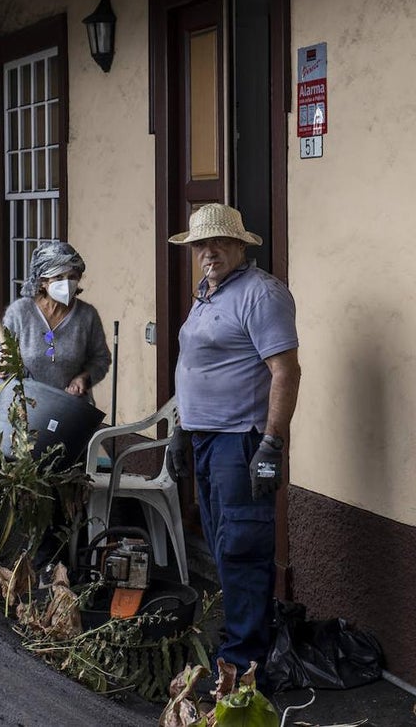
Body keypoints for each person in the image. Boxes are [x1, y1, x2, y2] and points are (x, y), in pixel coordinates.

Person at [164, 203, 301, 691]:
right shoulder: (207, 294)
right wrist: (180, 428)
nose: (209, 252)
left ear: (241, 246)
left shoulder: (262, 294)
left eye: (219, 242)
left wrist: (271, 444)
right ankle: (242, 643)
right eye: (201, 245)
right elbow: (194, 366)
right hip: (204, 439)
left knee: (243, 547)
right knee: (223, 544)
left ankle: (244, 665)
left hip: (241, 441)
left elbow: (286, 372)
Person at [0, 240, 111, 401]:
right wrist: (0, 361)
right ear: (43, 281)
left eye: (71, 277)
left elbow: (101, 359)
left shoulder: (87, 316)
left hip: (70, 406)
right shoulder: (20, 312)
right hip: (24, 405)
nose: (66, 283)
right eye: (58, 277)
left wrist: (84, 378)